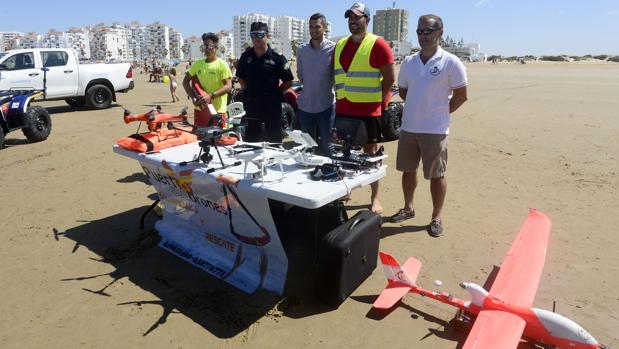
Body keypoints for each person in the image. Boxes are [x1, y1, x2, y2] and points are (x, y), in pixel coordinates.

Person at [388, 14, 468, 237]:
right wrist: (418, 107)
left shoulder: (451, 62)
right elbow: (403, 91)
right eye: (420, 32)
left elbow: (461, 95)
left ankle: (436, 217)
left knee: (436, 175)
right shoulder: (409, 62)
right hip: (409, 127)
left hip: (435, 130)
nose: (423, 36)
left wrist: (440, 112)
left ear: (440, 32)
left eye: (428, 31)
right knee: (407, 170)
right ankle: (408, 208)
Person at [334, 3, 395, 213]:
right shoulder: (340, 44)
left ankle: (375, 196)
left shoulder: (378, 44)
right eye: (350, 17)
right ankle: (344, 190)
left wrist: (379, 101)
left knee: (371, 154)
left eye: (357, 17)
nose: (353, 20)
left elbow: (389, 78)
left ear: (366, 20)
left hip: (368, 111)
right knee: (343, 153)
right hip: (343, 108)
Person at [236, 22, 294, 143]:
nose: (256, 38)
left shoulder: (277, 58)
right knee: (252, 141)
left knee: (275, 140)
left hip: (272, 106)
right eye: (253, 35)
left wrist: (277, 92)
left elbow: (288, 81)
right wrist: (248, 89)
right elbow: (240, 77)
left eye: (260, 35)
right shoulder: (245, 57)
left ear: (268, 36)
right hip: (252, 105)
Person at [296, 13, 336, 156]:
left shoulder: (334, 49)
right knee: (307, 149)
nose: (313, 30)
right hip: (305, 107)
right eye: (311, 27)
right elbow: (300, 75)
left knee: (328, 148)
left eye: (317, 26)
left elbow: (337, 76)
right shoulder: (301, 50)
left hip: (326, 107)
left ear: (324, 27)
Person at [183, 32, 232, 127]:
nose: (205, 48)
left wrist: (211, 96)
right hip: (200, 109)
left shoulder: (222, 64)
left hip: (217, 111)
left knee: (217, 139)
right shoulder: (197, 64)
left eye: (208, 46)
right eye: (204, 45)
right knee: (199, 138)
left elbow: (228, 86)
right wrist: (192, 97)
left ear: (216, 47)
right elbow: (185, 81)